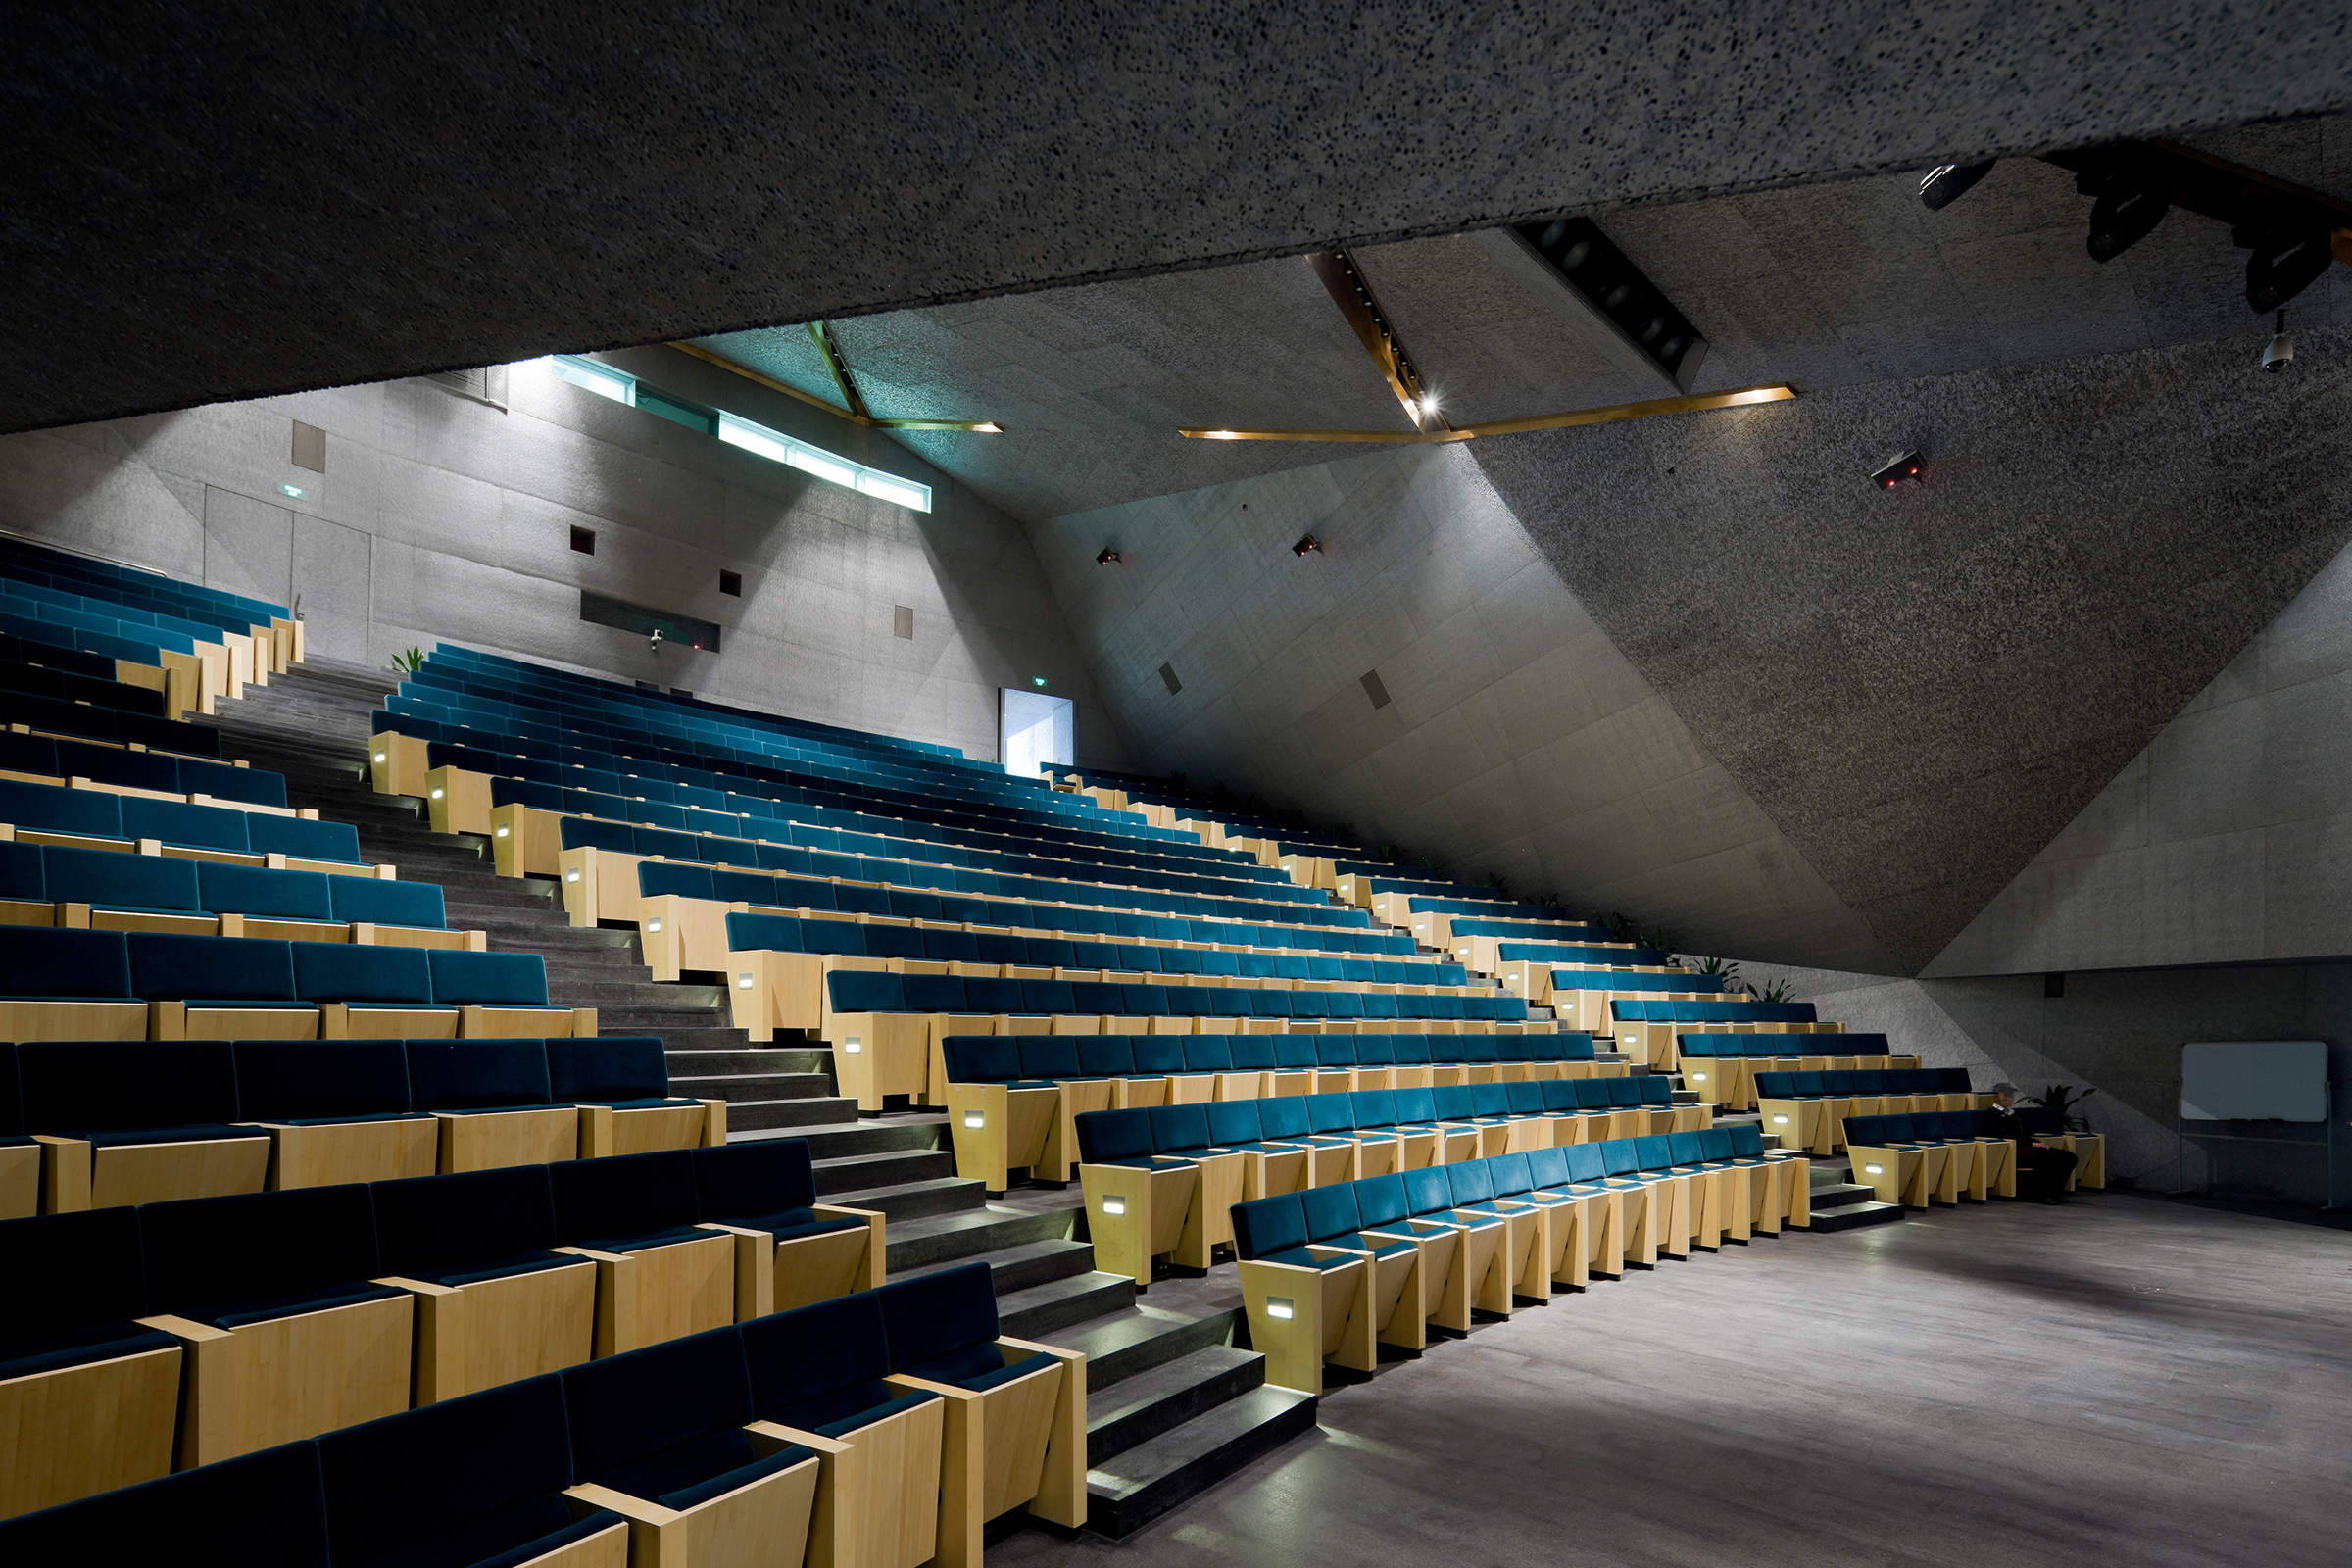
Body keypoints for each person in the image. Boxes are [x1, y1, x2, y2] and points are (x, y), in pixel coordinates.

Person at [1983, 1083, 2078, 1203]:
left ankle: (2054, 1192)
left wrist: (2035, 1142)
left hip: (2025, 1146)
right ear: (1996, 1097)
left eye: (2011, 1095)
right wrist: (2031, 1144)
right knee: (2049, 1157)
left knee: (2070, 1157)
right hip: (2010, 1148)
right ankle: (2043, 1194)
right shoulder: (1991, 1114)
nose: (2009, 1098)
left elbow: (2025, 1134)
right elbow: (1999, 1136)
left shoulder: (2013, 1115)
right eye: (2006, 1095)